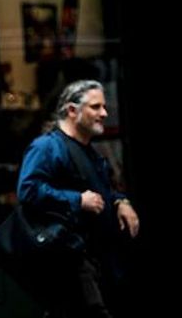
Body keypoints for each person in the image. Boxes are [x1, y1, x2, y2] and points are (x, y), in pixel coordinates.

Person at [16, 79, 139, 318]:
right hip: (71, 261)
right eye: (95, 107)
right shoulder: (47, 147)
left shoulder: (88, 150)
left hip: (99, 259)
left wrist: (120, 202)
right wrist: (77, 200)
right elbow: (28, 190)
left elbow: (99, 189)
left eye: (103, 106)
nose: (104, 113)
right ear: (72, 111)